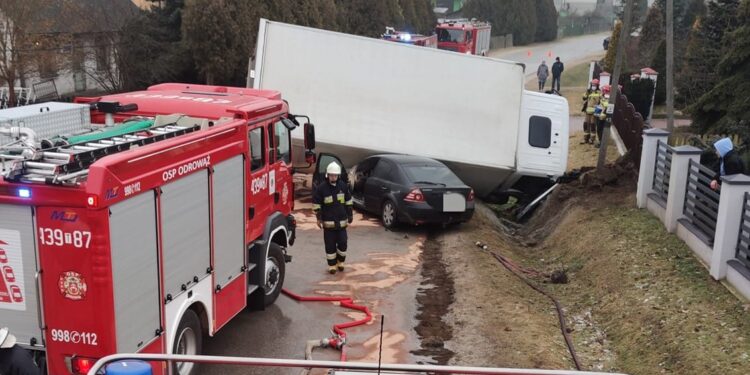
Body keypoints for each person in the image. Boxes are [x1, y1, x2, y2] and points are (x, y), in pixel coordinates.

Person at [312, 162, 353, 274]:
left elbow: (348, 201)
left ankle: (341, 262)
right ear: (327, 175)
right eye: (331, 175)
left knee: (343, 243)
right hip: (328, 225)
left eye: (335, 175)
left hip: (341, 224)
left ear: (338, 176)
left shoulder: (343, 186)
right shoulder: (321, 188)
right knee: (330, 246)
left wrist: (350, 215)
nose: (333, 177)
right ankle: (332, 265)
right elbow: (316, 204)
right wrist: (318, 218)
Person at [581, 79, 601, 144]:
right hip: (587, 111)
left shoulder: (599, 93)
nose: (593, 86)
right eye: (592, 85)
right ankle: (585, 138)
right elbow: (584, 98)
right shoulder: (589, 91)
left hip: (594, 112)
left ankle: (592, 139)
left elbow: (601, 102)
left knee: (593, 125)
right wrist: (586, 92)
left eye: (595, 85)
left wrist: (598, 111)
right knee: (586, 124)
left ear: (597, 85)